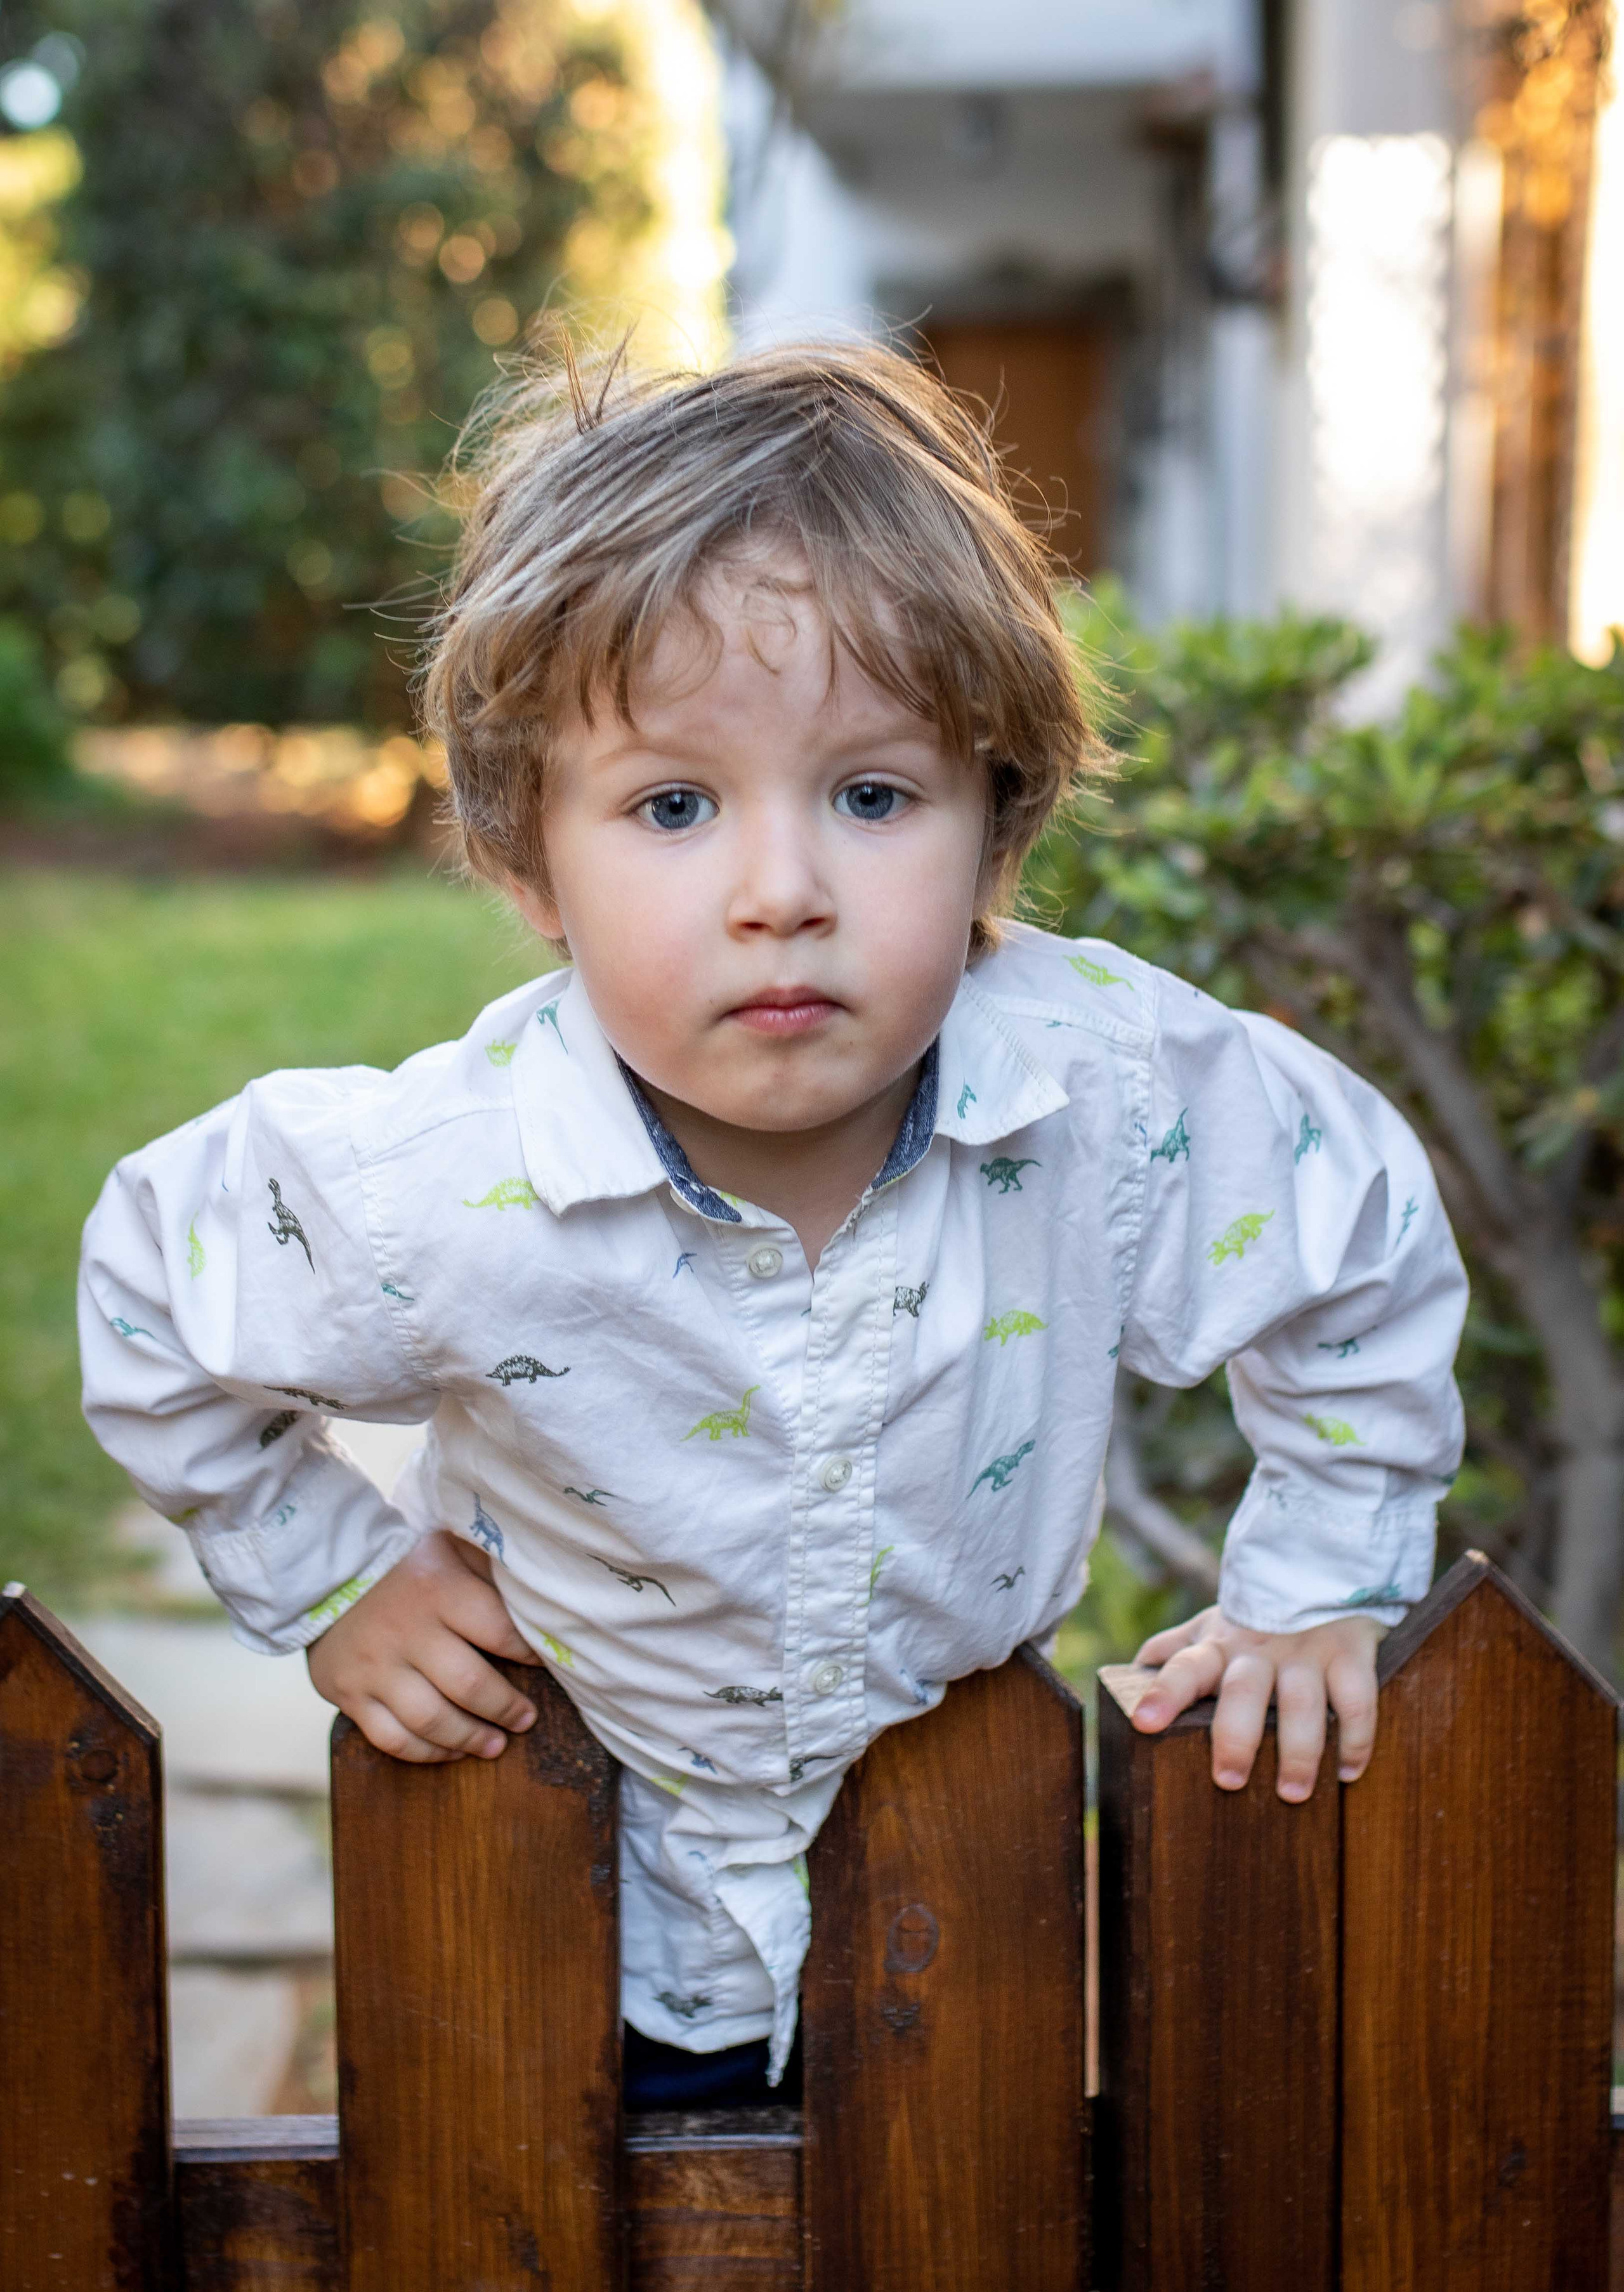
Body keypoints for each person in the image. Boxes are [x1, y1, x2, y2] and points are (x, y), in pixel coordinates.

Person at [78, 339, 1467, 2106]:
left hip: (965, 1912)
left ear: (994, 822)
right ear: (527, 856)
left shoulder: (1105, 1093)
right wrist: (330, 1570)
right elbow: (154, 1289)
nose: (784, 893)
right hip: (559, 1914)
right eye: (674, 806)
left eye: (874, 796)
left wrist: (1317, 1584)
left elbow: (1354, 1240)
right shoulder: (441, 1178)